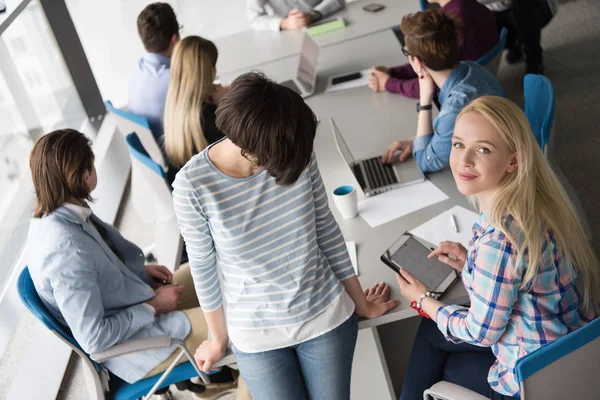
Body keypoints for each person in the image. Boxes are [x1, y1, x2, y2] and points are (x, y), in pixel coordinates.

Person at [172, 72, 400, 399]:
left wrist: (360, 302)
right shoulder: (193, 186)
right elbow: (204, 269)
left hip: (323, 313)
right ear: (251, 147)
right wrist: (218, 339)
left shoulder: (292, 147)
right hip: (255, 332)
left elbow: (325, 229)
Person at [396, 96, 600, 400]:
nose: (464, 160)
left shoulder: (499, 241)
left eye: (483, 149)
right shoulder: (535, 206)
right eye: (458, 144)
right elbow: (518, 279)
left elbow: (482, 333)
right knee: (434, 330)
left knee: (441, 353)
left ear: (513, 161)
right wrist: (470, 264)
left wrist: (423, 301)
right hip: (569, 359)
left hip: (533, 381)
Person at [25, 129, 249, 399]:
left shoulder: (58, 215)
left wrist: (138, 272)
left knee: (215, 270)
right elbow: (95, 338)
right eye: (92, 164)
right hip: (136, 345)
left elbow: (94, 271)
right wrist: (153, 307)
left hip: (134, 301)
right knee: (245, 329)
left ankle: (221, 378)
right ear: (82, 175)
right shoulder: (64, 250)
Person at [380, 9, 506, 173]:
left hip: (495, 168)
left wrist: (425, 100)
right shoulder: (470, 68)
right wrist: (416, 141)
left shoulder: (455, 110)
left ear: (417, 63)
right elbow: (449, 130)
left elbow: (425, 162)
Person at [369, 0, 498, 98]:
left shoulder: (450, 24)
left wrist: (389, 84)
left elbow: (433, 85)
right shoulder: (467, 7)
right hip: (480, 82)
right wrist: (394, 72)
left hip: (459, 94)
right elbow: (430, 60)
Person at [163, 35, 227, 173]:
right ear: (210, 72)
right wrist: (223, 105)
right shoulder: (208, 116)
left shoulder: (176, 109)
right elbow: (241, 149)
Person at [128, 2, 180, 141]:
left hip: (152, 149)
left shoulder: (138, 68)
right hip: (175, 153)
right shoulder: (174, 79)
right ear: (174, 39)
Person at [478, 0, 557, 74]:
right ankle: (515, 45)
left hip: (538, 6)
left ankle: (534, 60)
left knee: (522, 6)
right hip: (498, 9)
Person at [247, 0, 345, 31]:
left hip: (325, 22)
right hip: (289, 35)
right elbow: (253, 19)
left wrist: (315, 14)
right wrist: (285, 23)